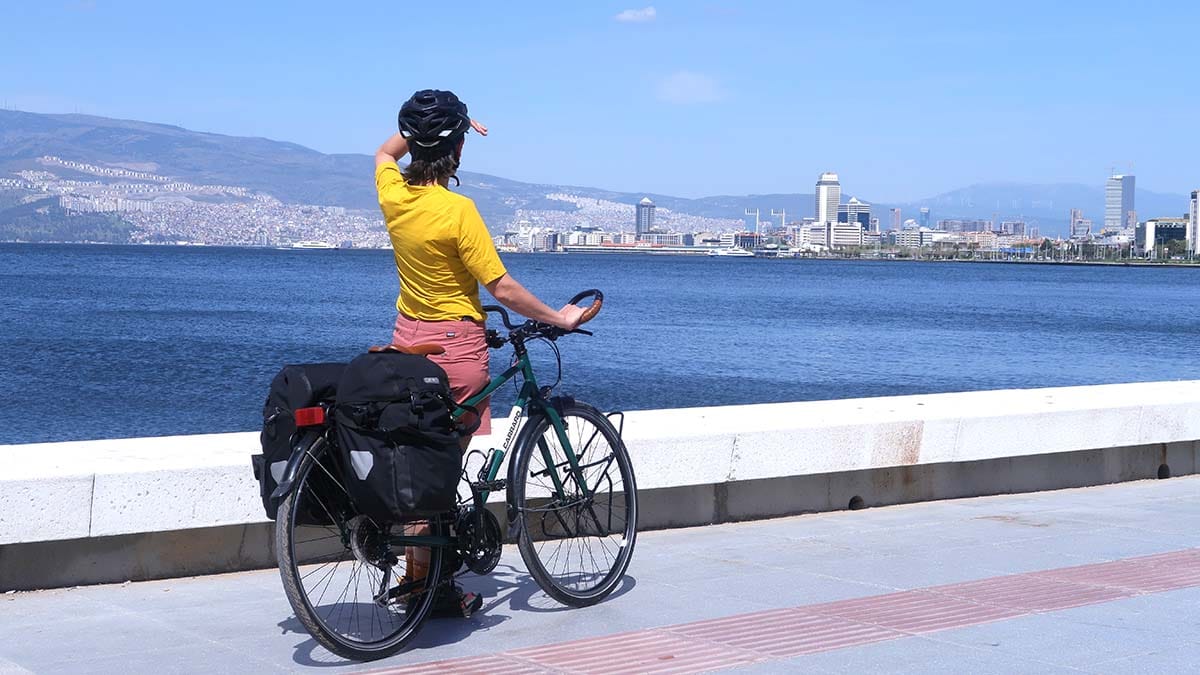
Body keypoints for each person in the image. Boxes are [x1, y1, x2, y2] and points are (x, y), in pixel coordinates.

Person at [374, 89, 584, 616]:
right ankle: (432, 589)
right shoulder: (457, 210)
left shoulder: (393, 194)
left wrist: (434, 126)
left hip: (406, 341)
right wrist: (560, 317)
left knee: (422, 460)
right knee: (442, 467)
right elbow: (503, 289)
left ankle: (420, 577)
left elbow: (383, 153)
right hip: (456, 348)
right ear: (458, 150)